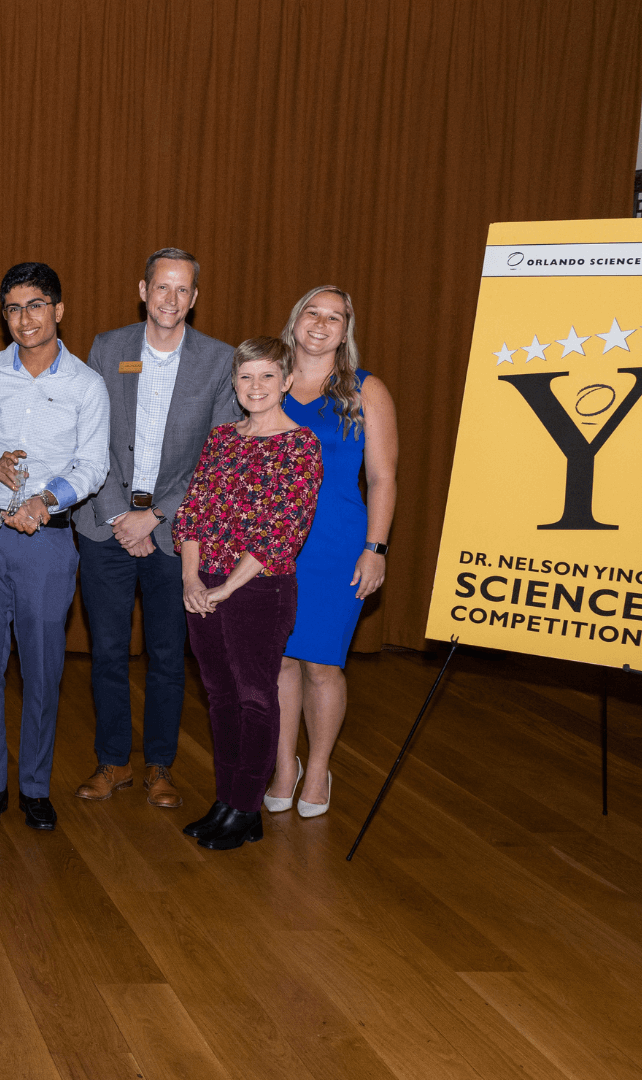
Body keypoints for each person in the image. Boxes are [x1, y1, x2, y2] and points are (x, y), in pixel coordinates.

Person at [72, 248, 239, 811]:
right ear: (143, 291)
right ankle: (114, 761)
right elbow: (89, 438)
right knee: (109, 652)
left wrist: (156, 514)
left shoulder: (220, 362)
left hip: (177, 533)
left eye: (182, 290)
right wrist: (122, 513)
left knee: (170, 655)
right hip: (106, 524)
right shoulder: (106, 347)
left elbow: (217, 455)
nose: (171, 300)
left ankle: (160, 765)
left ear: (194, 297)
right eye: (161, 288)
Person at [0, 263, 110, 831]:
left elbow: (92, 465)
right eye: (13, 308)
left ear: (58, 310)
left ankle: (35, 787)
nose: (25, 319)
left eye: (36, 305)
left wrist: (46, 501)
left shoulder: (87, 385)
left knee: (43, 668)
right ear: (4, 316)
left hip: (48, 540)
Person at [174, 337, 322, 850]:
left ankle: (245, 806)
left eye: (266, 377)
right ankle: (227, 800)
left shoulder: (300, 444)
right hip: (204, 585)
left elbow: (281, 530)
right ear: (234, 383)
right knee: (219, 697)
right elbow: (192, 513)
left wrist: (226, 589)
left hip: (259, 589)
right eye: (245, 377)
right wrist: (194, 581)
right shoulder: (221, 438)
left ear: (285, 382)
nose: (255, 387)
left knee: (256, 698)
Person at [265, 287, 397, 819]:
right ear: (295, 321)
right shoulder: (266, 380)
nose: (321, 324)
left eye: (334, 317)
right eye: (312, 314)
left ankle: (317, 767)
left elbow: (383, 477)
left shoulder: (367, 391)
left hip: (338, 543)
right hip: (271, 543)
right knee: (276, 661)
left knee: (321, 663)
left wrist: (376, 548)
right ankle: (282, 766)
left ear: (346, 330)